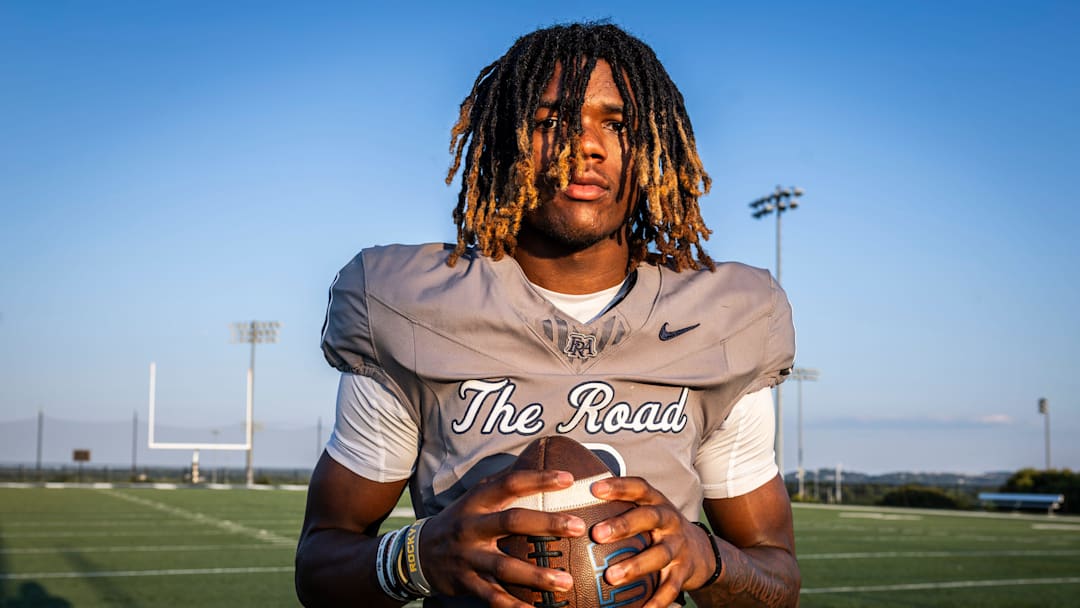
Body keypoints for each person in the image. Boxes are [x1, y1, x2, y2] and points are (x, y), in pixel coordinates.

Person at [296, 22, 799, 608]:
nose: (586, 145)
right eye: (550, 121)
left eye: (617, 124)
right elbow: (322, 561)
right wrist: (419, 556)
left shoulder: (725, 319)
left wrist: (703, 557)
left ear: (654, 147)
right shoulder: (410, 306)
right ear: (506, 139)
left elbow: (776, 577)